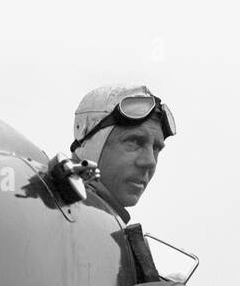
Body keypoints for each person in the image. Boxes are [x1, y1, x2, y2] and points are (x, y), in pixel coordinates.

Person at [71, 84, 176, 224]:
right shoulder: (47, 208)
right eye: (134, 142)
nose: (150, 162)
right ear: (89, 141)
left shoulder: (105, 231)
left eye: (156, 149)